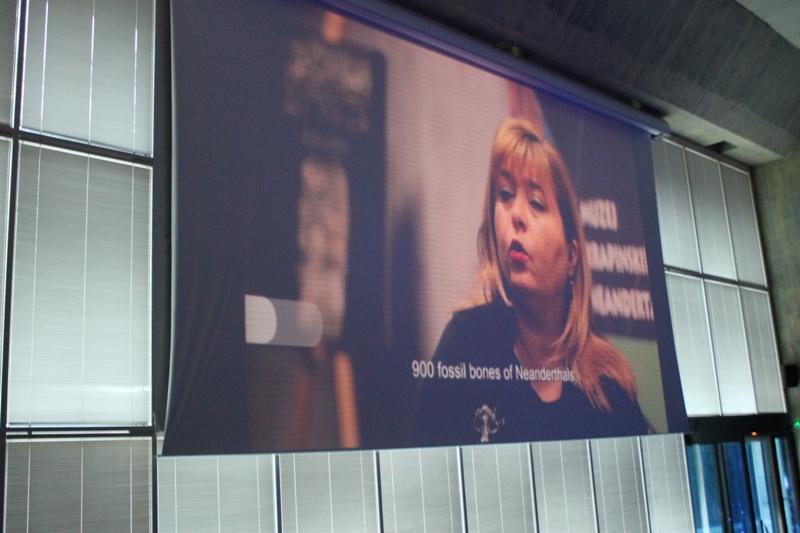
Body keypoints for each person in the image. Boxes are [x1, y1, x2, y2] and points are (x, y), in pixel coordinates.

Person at [415, 117, 650, 446]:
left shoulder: (609, 386)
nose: (516, 215)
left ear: (571, 257)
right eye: (505, 194)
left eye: (537, 203)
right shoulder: (466, 342)